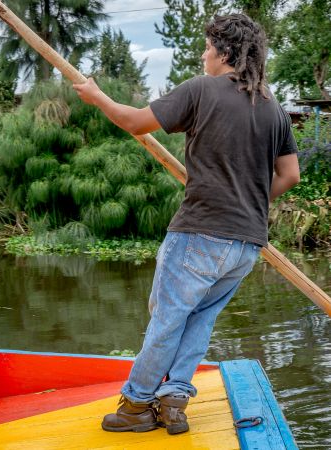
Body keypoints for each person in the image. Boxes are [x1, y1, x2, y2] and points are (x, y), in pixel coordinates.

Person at [74, 13, 300, 435]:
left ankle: (137, 404)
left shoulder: (202, 90)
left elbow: (135, 122)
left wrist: (97, 97)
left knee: (168, 320)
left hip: (199, 233)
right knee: (198, 320)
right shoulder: (275, 109)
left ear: (225, 52)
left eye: (208, 47)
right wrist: (249, 199)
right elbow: (289, 175)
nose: (203, 55)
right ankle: (174, 402)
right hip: (246, 244)